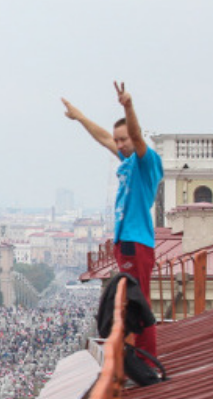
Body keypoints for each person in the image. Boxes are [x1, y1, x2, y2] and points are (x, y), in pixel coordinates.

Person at [63, 81, 161, 357]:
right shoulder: (128, 162)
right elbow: (104, 138)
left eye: (124, 139)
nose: (118, 144)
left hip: (135, 241)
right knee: (130, 300)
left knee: (138, 301)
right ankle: (136, 355)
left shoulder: (145, 162)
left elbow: (138, 136)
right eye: (118, 140)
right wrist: (80, 117)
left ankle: (146, 359)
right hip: (126, 241)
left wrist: (128, 106)